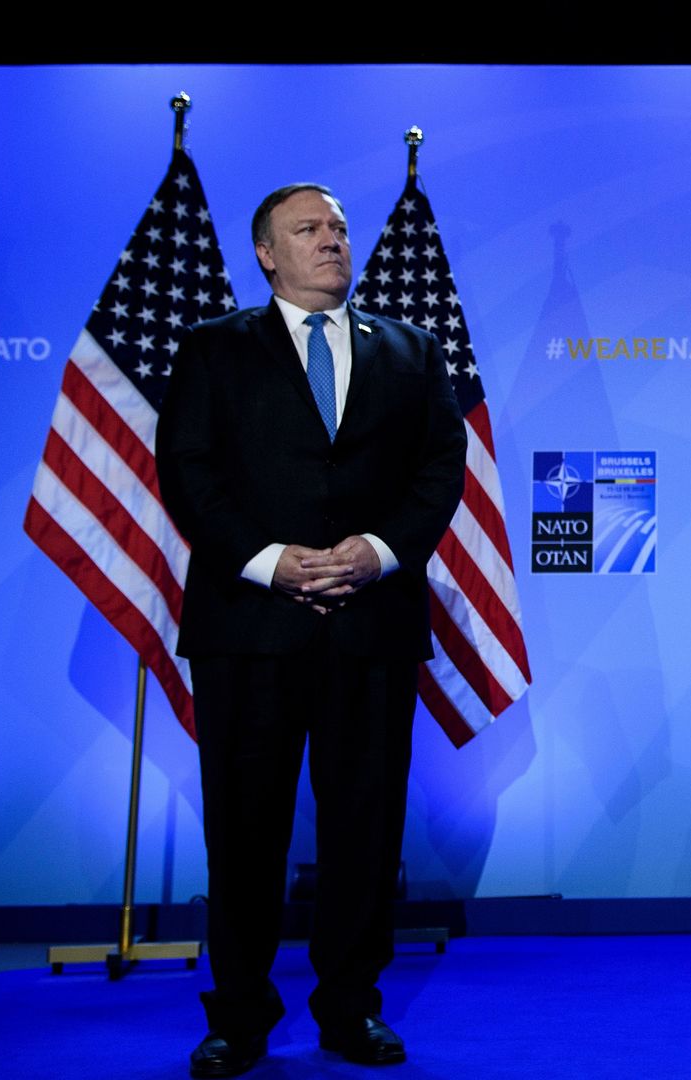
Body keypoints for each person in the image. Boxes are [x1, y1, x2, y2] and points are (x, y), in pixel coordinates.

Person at [157, 183, 467, 1078]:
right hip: (249, 624)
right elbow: (187, 471)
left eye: (338, 227)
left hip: (371, 625)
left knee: (364, 832)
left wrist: (376, 550)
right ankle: (240, 1020)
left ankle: (349, 1010)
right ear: (265, 252)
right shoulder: (213, 349)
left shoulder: (409, 349)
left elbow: (439, 468)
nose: (331, 240)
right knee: (244, 831)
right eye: (308, 229)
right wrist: (266, 560)